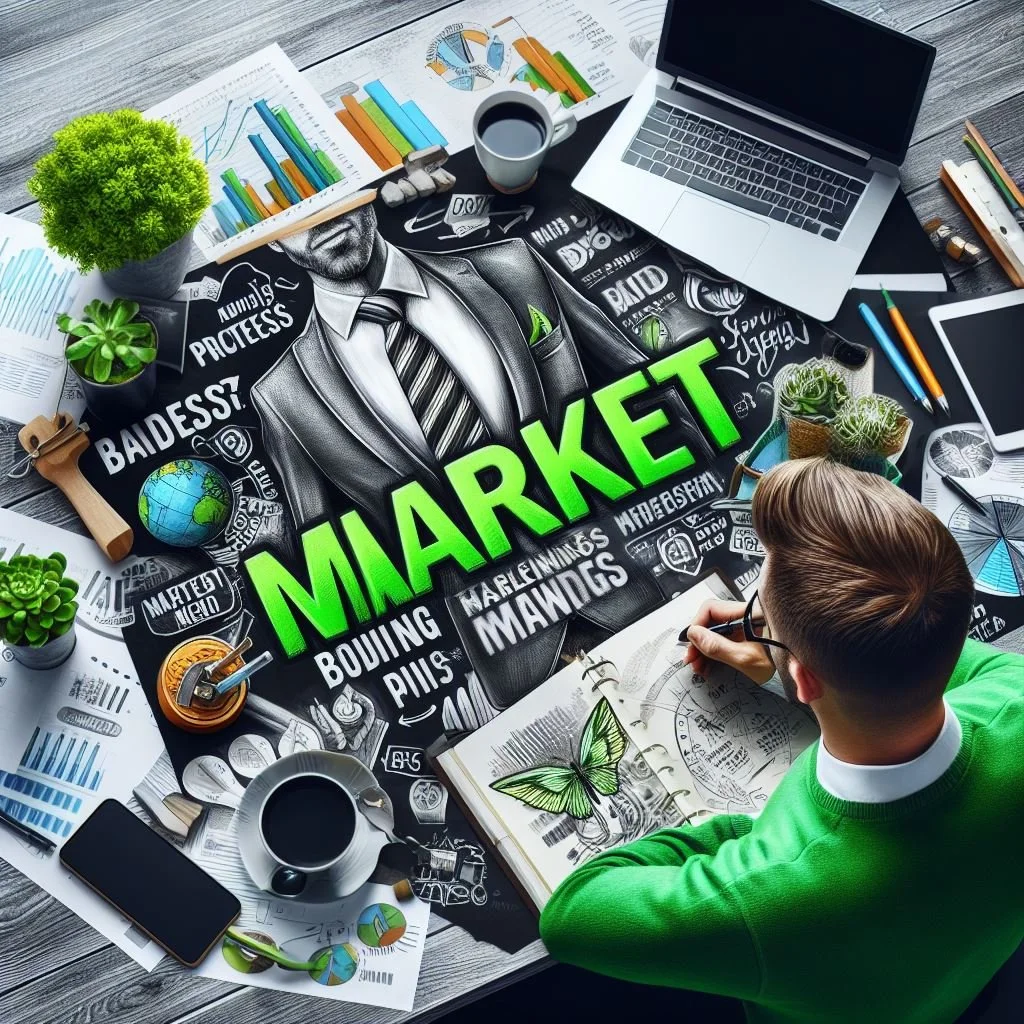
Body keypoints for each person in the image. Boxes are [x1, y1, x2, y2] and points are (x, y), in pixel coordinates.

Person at [540, 457, 1024, 1023]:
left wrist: (747, 836)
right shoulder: (1013, 692)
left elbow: (571, 916)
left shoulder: (764, 898)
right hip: (974, 984)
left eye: (760, 612)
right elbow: (915, 647)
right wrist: (783, 651)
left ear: (805, 680)